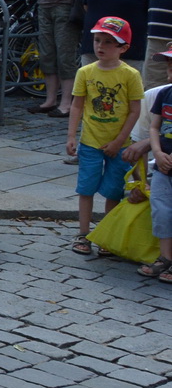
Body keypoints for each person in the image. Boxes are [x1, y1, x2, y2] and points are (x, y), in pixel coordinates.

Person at [68, 17, 144, 254]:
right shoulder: (85, 72)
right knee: (86, 188)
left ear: (123, 48)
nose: (100, 46)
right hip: (90, 141)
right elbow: (77, 105)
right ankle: (83, 233)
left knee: (113, 190)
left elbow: (134, 111)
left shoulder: (130, 75)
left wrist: (119, 141)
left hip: (120, 145)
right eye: (97, 40)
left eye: (109, 42)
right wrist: (72, 135)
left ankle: (106, 233)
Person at [131, 64, 172, 280]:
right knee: (162, 212)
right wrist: (157, 150)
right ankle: (165, 258)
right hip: (163, 168)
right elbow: (155, 127)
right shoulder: (164, 94)